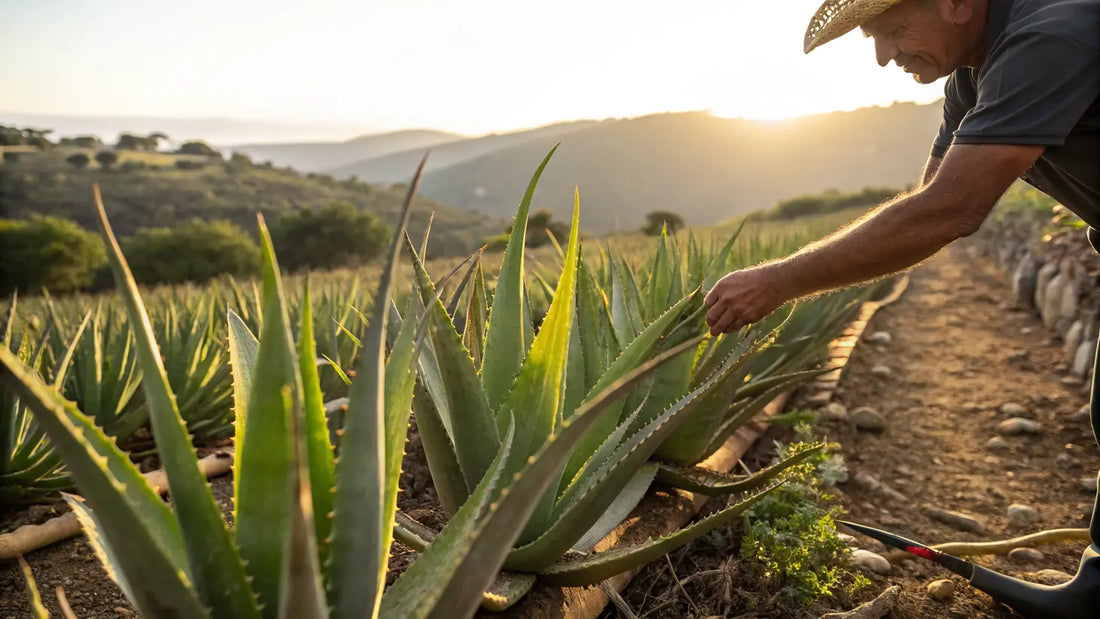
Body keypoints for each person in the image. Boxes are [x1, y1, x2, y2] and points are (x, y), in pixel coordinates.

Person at [703, 0, 1100, 616]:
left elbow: (951, 210)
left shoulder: (1051, 37)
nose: (884, 55)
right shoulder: (972, 78)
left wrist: (776, 282)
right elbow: (929, 199)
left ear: (958, 4)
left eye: (891, 30)